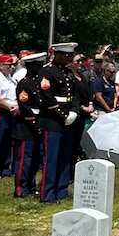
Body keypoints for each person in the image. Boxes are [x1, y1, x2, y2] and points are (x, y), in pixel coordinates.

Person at [35, 42, 83, 202]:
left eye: (71, 56)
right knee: (51, 159)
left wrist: (74, 112)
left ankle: (61, 190)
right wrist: (64, 115)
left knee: (64, 157)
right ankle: (47, 194)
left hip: (68, 120)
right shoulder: (46, 72)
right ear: (58, 55)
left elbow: (75, 95)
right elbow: (47, 98)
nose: (69, 59)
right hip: (52, 120)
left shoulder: (68, 73)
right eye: (67, 56)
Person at [11, 52, 46, 199]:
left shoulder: (39, 83)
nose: (40, 68)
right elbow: (25, 106)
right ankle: (20, 188)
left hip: (37, 125)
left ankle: (31, 185)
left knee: (34, 160)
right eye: (37, 65)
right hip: (26, 127)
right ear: (30, 67)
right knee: (24, 160)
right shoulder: (24, 84)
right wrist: (35, 123)